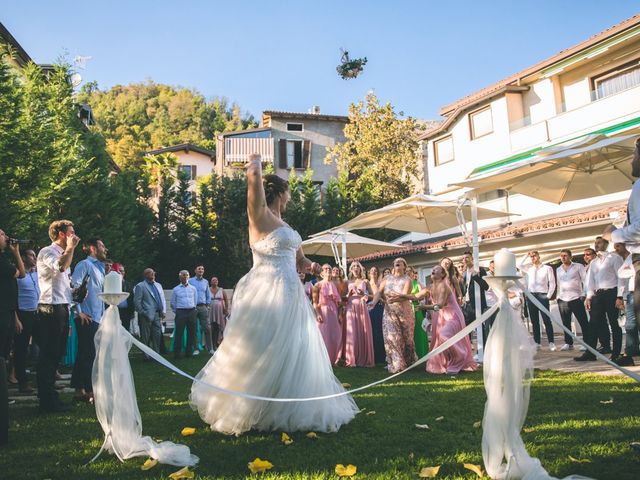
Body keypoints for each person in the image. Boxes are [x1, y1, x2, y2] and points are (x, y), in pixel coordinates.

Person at [189, 153, 357, 435]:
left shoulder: (287, 227)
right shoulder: (259, 216)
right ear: (281, 192)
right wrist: (254, 160)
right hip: (266, 289)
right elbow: (253, 180)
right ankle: (251, 407)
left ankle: (286, 406)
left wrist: (316, 266)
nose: (290, 196)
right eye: (288, 191)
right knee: (263, 347)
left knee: (293, 348)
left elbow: (300, 261)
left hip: (292, 292)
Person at [36, 220, 80, 413]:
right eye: (71, 233)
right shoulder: (47, 252)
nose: (75, 236)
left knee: (56, 355)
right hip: (49, 308)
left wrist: (76, 291)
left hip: (62, 307)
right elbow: (60, 267)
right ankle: (46, 401)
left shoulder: (66, 254)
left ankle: (52, 396)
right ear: (61, 234)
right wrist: (70, 248)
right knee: (48, 354)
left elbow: (64, 283)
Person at [410, 266, 477, 375]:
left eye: (436, 269)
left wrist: (423, 307)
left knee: (444, 335)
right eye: (433, 269)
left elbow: (440, 305)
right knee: (439, 340)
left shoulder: (444, 286)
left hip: (452, 315)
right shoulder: (430, 287)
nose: (433, 270)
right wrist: (400, 296)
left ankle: (460, 355)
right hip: (440, 316)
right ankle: (446, 362)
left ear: (442, 275)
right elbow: (415, 297)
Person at [70, 237, 108, 403]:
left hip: (97, 317)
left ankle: (86, 388)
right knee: (86, 353)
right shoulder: (84, 265)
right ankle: (81, 390)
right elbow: (74, 287)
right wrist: (79, 312)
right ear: (93, 248)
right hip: (86, 317)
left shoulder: (99, 268)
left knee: (90, 353)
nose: (105, 248)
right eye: (102, 245)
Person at [579, 236, 624, 362]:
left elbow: (621, 277)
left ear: (606, 244)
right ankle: (590, 353)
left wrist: (619, 296)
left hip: (611, 292)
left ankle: (616, 354)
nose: (596, 244)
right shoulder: (594, 262)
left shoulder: (614, 258)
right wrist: (589, 297)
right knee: (593, 323)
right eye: (595, 242)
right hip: (598, 295)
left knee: (614, 323)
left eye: (599, 242)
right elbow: (590, 281)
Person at [370, 257, 416, 373]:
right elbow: (379, 292)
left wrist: (394, 296)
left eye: (400, 263)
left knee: (407, 340)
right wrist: (373, 303)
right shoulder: (386, 278)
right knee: (392, 337)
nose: (397, 264)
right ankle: (397, 364)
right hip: (389, 312)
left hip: (404, 312)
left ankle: (409, 360)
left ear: (404, 266)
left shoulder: (407, 279)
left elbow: (404, 295)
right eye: (395, 263)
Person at [519, 250, 557, 351]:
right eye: (531, 257)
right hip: (531, 295)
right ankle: (537, 343)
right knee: (534, 321)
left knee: (546, 320)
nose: (533, 258)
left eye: (534, 256)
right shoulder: (529, 269)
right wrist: (526, 255)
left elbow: (552, 282)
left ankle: (551, 342)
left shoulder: (547, 268)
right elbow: (519, 265)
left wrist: (548, 295)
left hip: (542, 295)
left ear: (539, 256)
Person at [555, 249, 589, 352]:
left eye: (565, 255)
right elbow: (559, 283)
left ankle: (587, 343)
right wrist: (558, 296)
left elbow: (585, 280)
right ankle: (568, 343)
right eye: (561, 256)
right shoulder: (558, 269)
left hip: (576, 297)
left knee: (583, 321)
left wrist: (584, 294)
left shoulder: (578, 266)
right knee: (566, 322)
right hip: (562, 298)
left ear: (570, 257)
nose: (563, 258)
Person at [14, 248, 37, 394]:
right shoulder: (16, 275)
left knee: (45, 346)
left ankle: (47, 378)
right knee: (21, 350)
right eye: (31, 255)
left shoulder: (37, 274)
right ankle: (23, 382)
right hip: (23, 314)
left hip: (37, 314)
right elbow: (12, 297)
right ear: (23, 257)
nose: (34, 258)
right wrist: (16, 319)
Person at [343, 261, 374, 367]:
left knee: (362, 330)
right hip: (350, 306)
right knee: (351, 331)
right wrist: (348, 295)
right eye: (353, 266)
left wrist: (364, 295)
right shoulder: (347, 282)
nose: (356, 268)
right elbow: (342, 297)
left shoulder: (365, 281)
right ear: (351, 269)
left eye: (358, 266)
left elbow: (373, 296)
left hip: (361, 306)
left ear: (360, 269)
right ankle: (351, 359)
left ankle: (364, 358)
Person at [612, 243, 637, 366]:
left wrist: (626, 270)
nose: (615, 249)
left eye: (618, 246)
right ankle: (629, 354)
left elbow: (624, 274)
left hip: (636, 293)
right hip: (630, 295)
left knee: (631, 324)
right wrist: (619, 297)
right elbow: (621, 278)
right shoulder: (624, 261)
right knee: (630, 325)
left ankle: (630, 353)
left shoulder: (634, 257)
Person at [313, 264, 343, 365]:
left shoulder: (335, 285)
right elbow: (314, 302)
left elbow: (340, 302)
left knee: (336, 335)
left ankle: (335, 359)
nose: (328, 270)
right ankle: (323, 360)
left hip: (333, 311)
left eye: (330, 268)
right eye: (325, 268)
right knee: (324, 335)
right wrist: (317, 314)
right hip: (323, 311)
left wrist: (339, 314)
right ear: (321, 273)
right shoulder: (317, 285)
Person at [134, 268, 166, 354]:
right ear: (146, 275)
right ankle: (146, 355)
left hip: (157, 314)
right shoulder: (140, 286)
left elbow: (160, 298)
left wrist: (162, 311)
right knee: (146, 336)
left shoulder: (157, 285)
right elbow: (137, 302)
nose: (153, 274)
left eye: (153, 273)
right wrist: (143, 312)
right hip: (146, 315)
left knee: (157, 335)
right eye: (151, 273)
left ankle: (156, 354)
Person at [170, 270, 198, 358]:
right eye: (183, 275)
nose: (185, 277)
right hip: (181, 312)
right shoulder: (176, 289)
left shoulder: (193, 288)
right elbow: (172, 303)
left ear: (189, 277)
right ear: (180, 277)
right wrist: (178, 312)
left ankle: (188, 352)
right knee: (179, 333)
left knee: (191, 333)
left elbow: (195, 300)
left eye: (186, 275)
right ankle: (177, 353)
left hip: (191, 311)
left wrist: (193, 310)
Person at [189, 265, 211, 355]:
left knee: (206, 328)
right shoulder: (190, 281)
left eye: (202, 269)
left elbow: (208, 294)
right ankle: (196, 349)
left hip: (203, 307)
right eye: (199, 269)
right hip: (193, 307)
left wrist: (208, 305)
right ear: (195, 270)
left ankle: (210, 349)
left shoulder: (206, 282)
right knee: (194, 329)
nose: (201, 270)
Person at [408, 267, 428, 359]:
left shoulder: (417, 283)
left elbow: (424, 295)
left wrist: (416, 298)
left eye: (410, 272)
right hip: (406, 309)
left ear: (413, 273)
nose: (408, 273)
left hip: (416, 309)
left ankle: (421, 353)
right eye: (406, 272)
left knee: (418, 330)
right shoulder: (402, 284)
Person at [367, 266, 386, 364]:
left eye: (375, 271)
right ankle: (371, 355)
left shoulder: (380, 283)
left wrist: (380, 298)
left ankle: (381, 356)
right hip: (369, 308)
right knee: (371, 331)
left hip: (379, 308)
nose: (373, 272)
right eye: (372, 270)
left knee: (380, 331)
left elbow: (384, 297)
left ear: (378, 273)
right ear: (369, 272)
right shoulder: (366, 283)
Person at [112, 263, 135, 332]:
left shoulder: (128, 284)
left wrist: (132, 312)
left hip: (126, 311)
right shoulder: (112, 283)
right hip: (115, 311)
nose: (121, 272)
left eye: (122, 271)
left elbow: (132, 299)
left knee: (126, 331)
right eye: (119, 270)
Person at [208, 276, 228, 348]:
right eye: (213, 280)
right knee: (211, 327)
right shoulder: (207, 290)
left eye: (216, 280)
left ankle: (218, 342)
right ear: (211, 282)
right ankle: (211, 343)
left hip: (220, 311)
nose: (215, 281)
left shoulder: (222, 290)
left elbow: (225, 300)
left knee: (218, 327)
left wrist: (226, 309)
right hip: (210, 311)